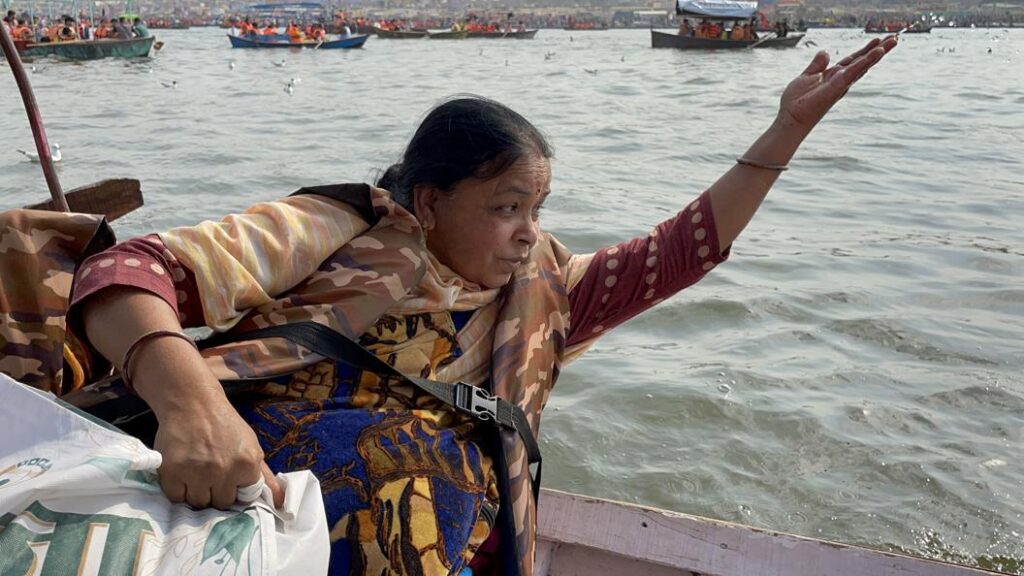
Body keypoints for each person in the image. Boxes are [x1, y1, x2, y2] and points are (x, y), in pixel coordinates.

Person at [23, 36, 899, 576]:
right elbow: (130, 272)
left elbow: (675, 257)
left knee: (431, 464)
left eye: (538, 209)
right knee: (411, 463)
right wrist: (193, 408)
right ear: (432, 200)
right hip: (250, 481)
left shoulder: (540, 291)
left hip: (426, 526)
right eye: (506, 206)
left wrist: (785, 134)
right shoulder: (336, 228)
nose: (528, 232)